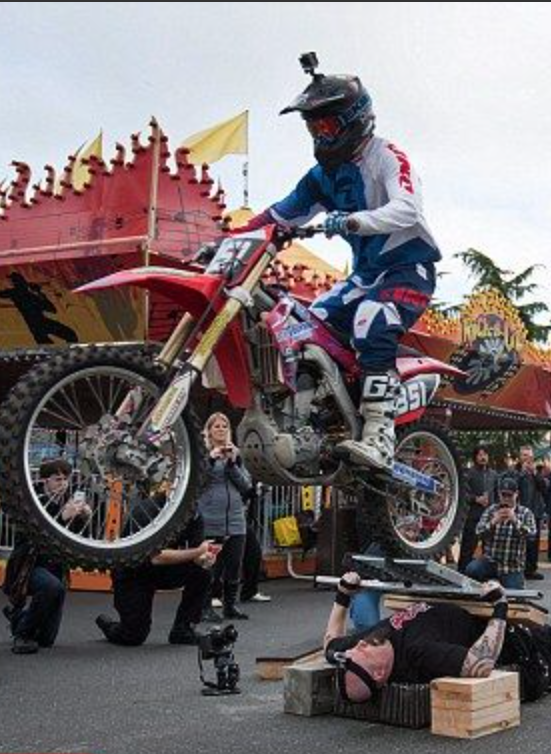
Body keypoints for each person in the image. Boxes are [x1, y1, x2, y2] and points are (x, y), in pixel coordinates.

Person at [228, 54, 440, 471]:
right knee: (303, 327)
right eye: (313, 128)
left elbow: (408, 209)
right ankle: (316, 422)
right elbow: (278, 216)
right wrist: (227, 241)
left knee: (371, 318)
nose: (319, 135)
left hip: (407, 271)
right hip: (363, 278)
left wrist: (354, 221)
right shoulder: (320, 177)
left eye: (325, 126)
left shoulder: (387, 156)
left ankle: (379, 435)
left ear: (353, 120)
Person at [322, 573, 551, 704]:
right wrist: (499, 608)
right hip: (514, 646)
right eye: (361, 651)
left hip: (466, 607)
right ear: (379, 672)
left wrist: (343, 595)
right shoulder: (419, 653)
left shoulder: (363, 646)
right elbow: (479, 664)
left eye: (356, 646)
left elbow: (330, 642)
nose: (359, 643)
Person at [2, 458, 91, 654]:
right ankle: (22, 634)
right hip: (30, 564)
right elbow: (33, 536)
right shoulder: (31, 502)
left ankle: (18, 618)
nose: (63, 483)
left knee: (46, 640)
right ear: (45, 480)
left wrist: (84, 518)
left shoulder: (68, 502)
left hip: (56, 566)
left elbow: (81, 538)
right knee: (52, 587)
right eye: (57, 479)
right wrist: (62, 517)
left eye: (65, 479)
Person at [95, 513, 218, 647]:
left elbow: (197, 556)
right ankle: (106, 623)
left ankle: (183, 630)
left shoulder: (193, 515)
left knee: (202, 571)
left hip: (164, 569)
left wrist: (204, 559)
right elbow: (155, 557)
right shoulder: (147, 511)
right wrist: (198, 552)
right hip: (133, 573)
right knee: (133, 636)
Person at [197, 413, 255, 622]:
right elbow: (199, 481)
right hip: (211, 518)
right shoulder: (203, 453)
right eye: (216, 426)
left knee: (234, 565)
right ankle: (204, 607)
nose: (221, 429)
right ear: (209, 431)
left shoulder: (235, 453)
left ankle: (230, 606)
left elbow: (246, 485)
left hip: (236, 518)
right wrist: (212, 459)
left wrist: (232, 464)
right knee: (210, 566)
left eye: (224, 426)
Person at [465, 475, 537, 589]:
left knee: (514, 595)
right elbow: (478, 532)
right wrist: (493, 522)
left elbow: (532, 536)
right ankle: (488, 585)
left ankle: (508, 583)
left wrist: (515, 521)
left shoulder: (525, 513)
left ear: (516, 494)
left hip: (512, 566)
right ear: (499, 494)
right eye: (503, 495)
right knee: (471, 569)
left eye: (510, 495)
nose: (506, 498)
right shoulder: (491, 510)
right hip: (490, 562)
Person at [458, 447, 496, 574]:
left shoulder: (493, 474)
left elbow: (496, 494)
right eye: (480, 455)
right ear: (475, 457)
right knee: (468, 546)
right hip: (473, 515)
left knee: (488, 547)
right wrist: (476, 499)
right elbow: (462, 494)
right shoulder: (469, 473)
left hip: (490, 516)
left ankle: (486, 573)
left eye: (485, 454)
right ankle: (462, 571)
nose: (483, 457)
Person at [517, 446, 547, 581]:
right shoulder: (516, 471)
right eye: (524, 455)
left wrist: (534, 473)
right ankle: (519, 568)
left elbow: (544, 487)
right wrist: (522, 473)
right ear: (520, 457)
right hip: (520, 512)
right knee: (521, 542)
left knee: (533, 542)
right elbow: (511, 485)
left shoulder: (537, 473)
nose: (527, 459)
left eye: (529, 456)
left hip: (535, 511)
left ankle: (531, 569)